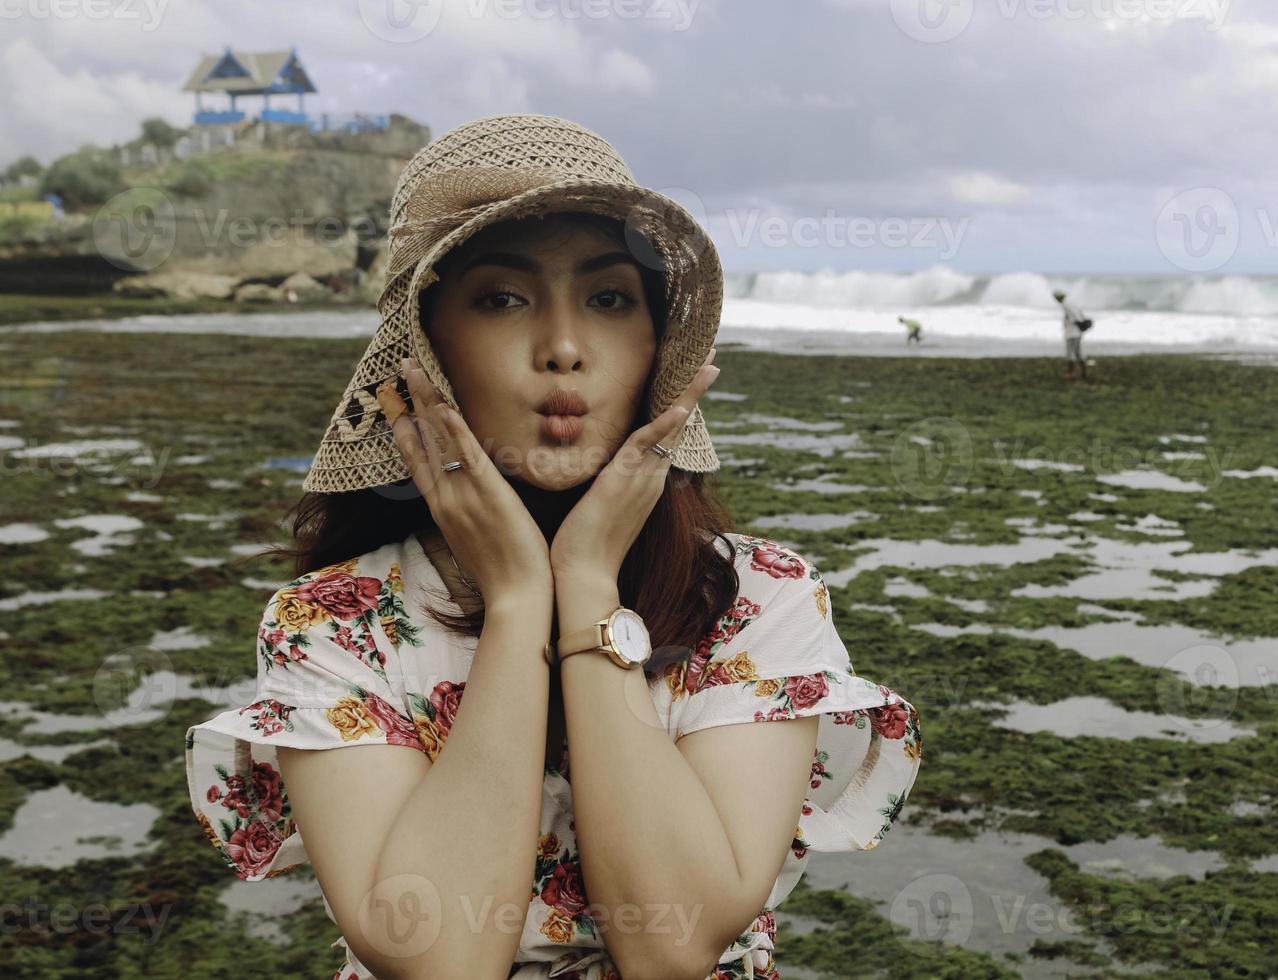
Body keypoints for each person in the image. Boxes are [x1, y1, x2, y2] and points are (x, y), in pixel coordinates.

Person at [183, 114, 922, 980]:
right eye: (501, 298)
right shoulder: (333, 622)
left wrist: (586, 586)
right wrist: (520, 604)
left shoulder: (760, 597)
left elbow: (672, 943)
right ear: (427, 350)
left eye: (610, 300)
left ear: (656, 346)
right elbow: (441, 958)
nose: (565, 350)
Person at [1053, 288, 1090, 381]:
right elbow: (1079, 315)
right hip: (1075, 332)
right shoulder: (1070, 304)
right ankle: (1083, 373)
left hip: (1072, 333)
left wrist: (1078, 323)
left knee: (1071, 353)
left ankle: (1072, 373)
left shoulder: (1066, 305)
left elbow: (1075, 317)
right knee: (1077, 353)